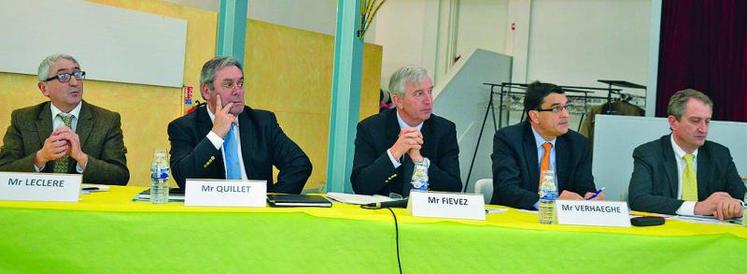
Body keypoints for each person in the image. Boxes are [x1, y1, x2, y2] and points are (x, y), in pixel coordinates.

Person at [168, 56, 311, 193]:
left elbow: (299, 164)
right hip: (211, 212)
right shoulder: (184, 127)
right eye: (228, 84)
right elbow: (184, 178)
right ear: (206, 91)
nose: (238, 91)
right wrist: (216, 135)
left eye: (240, 83)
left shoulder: (262, 122)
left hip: (256, 214)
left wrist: (270, 199)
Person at [0, 54, 129, 185]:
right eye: (63, 76)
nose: (74, 82)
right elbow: (3, 170)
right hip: (35, 201)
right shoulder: (23, 119)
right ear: (44, 88)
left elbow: (120, 176)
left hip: (84, 203)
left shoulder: (107, 121)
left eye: (77, 74)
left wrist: (81, 158)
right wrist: (40, 158)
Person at [628, 89, 745, 219]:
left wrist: (735, 206)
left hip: (711, 233)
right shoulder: (648, 153)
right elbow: (638, 199)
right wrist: (697, 207)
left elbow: (739, 195)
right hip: (667, 232)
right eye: (695, 121)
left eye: (707, 121)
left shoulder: (720, 154)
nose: (703, 129)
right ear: (673, 122)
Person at [351, 65, 461, 197]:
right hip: (383, 213)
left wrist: (420, 162)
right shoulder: (371, 128)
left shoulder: (444, 130)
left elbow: (453, 188)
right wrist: (394, 153)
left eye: (429, 91)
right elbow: (360, 186)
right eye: (419, 94)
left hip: (426, 214)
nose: (428, 100)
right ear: (398, 100)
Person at [491, 81, 602, 209]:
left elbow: (584, 187)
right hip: (517, 217)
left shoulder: (578, 144)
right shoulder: (509, 139)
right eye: (556, 109)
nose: (566, 115)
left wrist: (590, 196)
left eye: (566, 107)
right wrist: (551, 202)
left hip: (562, 221)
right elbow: (506, 189)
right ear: (535, 116)